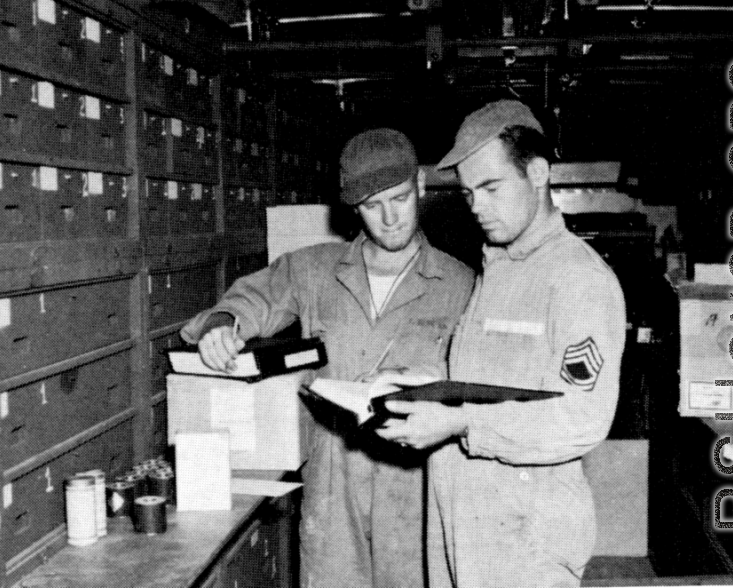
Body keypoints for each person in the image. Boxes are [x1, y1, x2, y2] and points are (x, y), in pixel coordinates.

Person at [180, 128, 475, 588]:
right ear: (353, 209)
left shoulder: (461, 285)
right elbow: (250, 300)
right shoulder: (315, 269)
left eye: (399, 199)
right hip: (333, 486)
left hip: (418, 492)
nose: (390, 218)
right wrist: (222, 323)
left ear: (419, 186)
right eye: (372, 206)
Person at [376, 101, 627, 587]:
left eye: (491, 188)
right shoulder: (500, 268)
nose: (477, 208)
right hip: (464, 520)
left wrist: (461, 422)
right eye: (470, 194)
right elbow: (495, 383)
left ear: (537, 173)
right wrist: (427, 387)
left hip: (524, 536)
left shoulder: (577, 280)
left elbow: (581, 417)